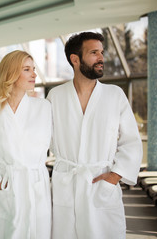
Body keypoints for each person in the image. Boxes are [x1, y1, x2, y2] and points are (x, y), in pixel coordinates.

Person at [47, 32, 142, 239]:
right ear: (75, 59)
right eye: (93, 53)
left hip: (100, 183)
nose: (101, 58)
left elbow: (132, 142)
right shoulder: (55, 96)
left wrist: (114, 176)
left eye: (101, 52)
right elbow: (40, 138)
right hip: (66, 183)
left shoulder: (114, 95)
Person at [0, 50, 52, 239]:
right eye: (27, 69)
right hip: (7, 186)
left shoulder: (44, 108)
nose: (34, 74)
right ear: (11, 74)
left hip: (36, 185)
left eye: (33, 69)